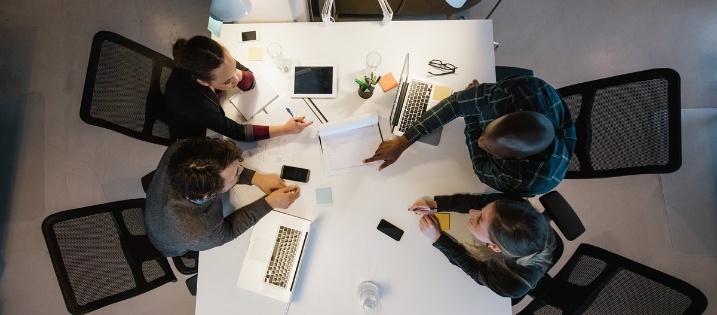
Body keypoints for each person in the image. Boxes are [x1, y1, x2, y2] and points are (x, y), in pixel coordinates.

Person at [364, 76, 576, 196]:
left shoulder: (525, 179)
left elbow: (481, 168)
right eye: (488, 130)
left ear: (514, 159)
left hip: (535, 173)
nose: (480, 142)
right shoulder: (524, 90)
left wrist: (472, 118)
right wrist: (403, 141)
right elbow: (456, 104)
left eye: (489, 147)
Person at [145, 137, 301, 257]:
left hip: (159, 208)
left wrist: (256, 178)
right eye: (237, 173)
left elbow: (224, 170)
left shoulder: (180, 149)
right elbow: (229, 231)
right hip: (171, 243)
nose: (241, 170)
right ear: (211, 193)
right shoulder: (198, 231)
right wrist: (270, 203)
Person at [165, 35, 312, 141]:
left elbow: (250, 82)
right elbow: (238, 132)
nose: (235, 80)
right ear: (203, 82)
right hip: (197, 132)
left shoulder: (214, 59)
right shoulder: (197, 105)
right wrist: (285, 129)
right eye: (227, 81)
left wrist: (235, 74)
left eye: (234, 67)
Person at [410, 193, 555, 298]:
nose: (473, 212)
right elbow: (481, 201)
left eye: (479, 220)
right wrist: (438, 205)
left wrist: (438, 238)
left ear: (495, 247)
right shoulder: (515, 205)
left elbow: (475, 270)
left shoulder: (511, 285)